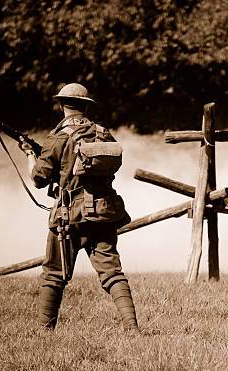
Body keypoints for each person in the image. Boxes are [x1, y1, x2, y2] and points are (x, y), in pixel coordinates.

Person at [20, 83, 139, 332]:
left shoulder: (58, 137)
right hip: (103, 212)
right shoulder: (103, 134)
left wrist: (31, 155)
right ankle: (132, 327)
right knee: (112, 273)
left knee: (54, 273)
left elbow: (39, 179)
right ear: (85, 106)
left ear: (62, 105)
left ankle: (44, 331)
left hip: (69, 215)